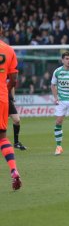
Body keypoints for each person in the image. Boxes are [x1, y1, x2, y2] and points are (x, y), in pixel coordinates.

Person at [0, 21, 22, 190]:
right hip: (2, 98)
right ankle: (13, 169)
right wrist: (5, 91)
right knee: (2, 138)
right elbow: (14, 80)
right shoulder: (9, 50)